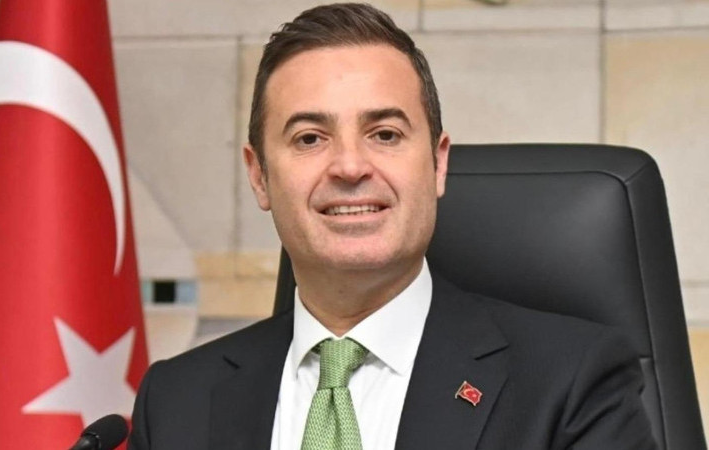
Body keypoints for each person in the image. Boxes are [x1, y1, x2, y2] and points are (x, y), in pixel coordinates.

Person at [128, 3, 657, 449]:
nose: (349, 166)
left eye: (384, 134)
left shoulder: (572, 382)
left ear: (437, 163)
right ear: (259, 176)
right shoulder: (175, 401)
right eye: (310, 138)